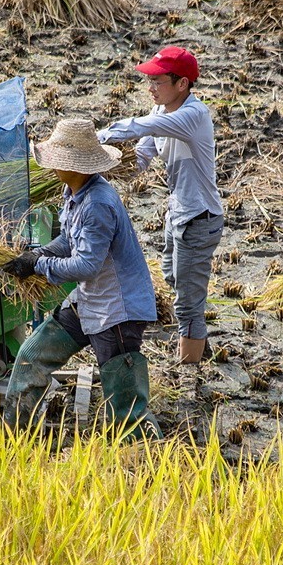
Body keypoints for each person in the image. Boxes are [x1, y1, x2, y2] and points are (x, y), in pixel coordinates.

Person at [1, 119, 162, 439]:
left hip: (117, 311)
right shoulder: (74, 191)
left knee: (126, 406)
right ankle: (15, 438)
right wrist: (35, 255)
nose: (51, 165)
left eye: (57, 159)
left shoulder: (98, 204)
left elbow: (86, 265)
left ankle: (147, 458)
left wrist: (40, 265)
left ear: (73, 165)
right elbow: (70, 240)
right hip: (89, 300)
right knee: (32, 356)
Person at [96, 46, 224, 364]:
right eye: (149, 80)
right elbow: (141, 156)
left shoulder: (193, 116)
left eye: (157, 81)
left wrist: (99, 137)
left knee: (186, 304)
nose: (150, 87)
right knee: (172, 277)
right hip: (176, 213)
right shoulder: (161, 112)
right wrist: (103, 166)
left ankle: (190, 371)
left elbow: (143, 127)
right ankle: (198, 340)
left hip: (199, 218)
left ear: (182, 84)